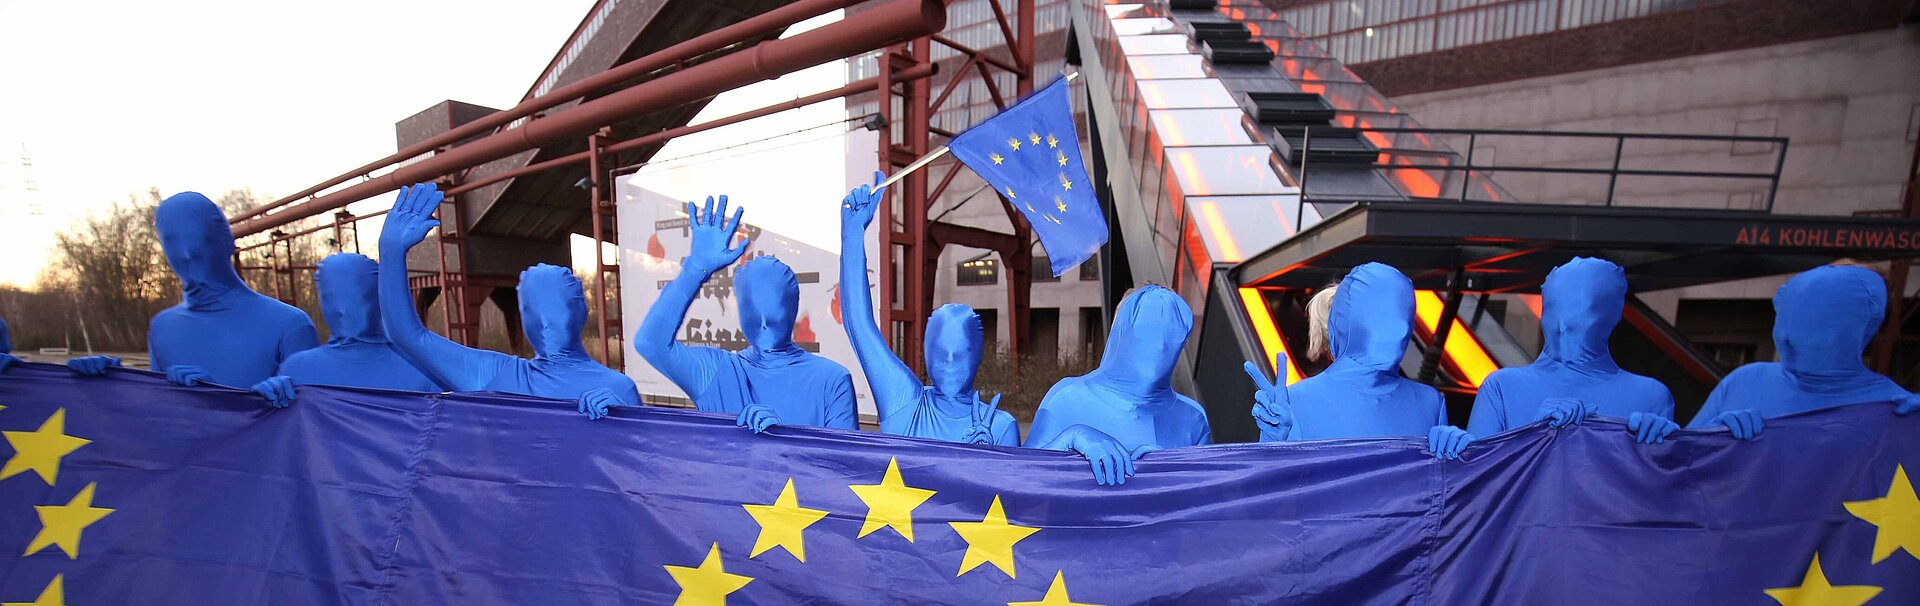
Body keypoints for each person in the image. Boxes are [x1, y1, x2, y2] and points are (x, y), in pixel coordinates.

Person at [376, 183, 640, 411]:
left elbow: (645, 460)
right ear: (523, 316)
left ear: (582, 310)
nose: (547, 322)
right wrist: (390, 254)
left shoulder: (618, 390)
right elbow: (407, 336)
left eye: (560, 306)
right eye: (533, 310)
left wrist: (624, 420)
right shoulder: (494, 374)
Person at [615, 194, 855, 432]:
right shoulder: (717, 372)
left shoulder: (832, 381)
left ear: (792, 308)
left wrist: (785, 439)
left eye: (776, 304)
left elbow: (843, 464)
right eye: (751, 306)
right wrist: (695, 269)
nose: (763, 320)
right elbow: (650, 343)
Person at [67, 192, 319, 386]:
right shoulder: (163, 327)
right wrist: (109, 385)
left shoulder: (289, 325)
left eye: (200, 238)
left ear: (225, 240)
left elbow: (309, 425)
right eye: (173, 242)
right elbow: (158, 419)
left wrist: (221, 399)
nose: (188, 253)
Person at [838, 173, 1018, 445]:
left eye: (959, 354)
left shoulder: (1000, 426)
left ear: (979, 356)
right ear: (925, 354)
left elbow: (1017, 486)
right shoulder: (905, 403)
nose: (948, 363)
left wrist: (990, 462)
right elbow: (859, 326)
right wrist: (852, 235)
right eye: (940, 353)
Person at [1246, 262, 1472, 460]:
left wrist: (1462, 456)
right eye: (1380, 314)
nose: (1400, 328)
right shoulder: (1293, 403)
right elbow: (1274, 495)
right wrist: (1274, 447)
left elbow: (1440, 495)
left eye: (1403, 313)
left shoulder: (1430, 402)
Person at [1689, 264, 1919, 438]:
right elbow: (1674, 465)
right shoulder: (1745, 381)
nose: (1790, 336)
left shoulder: (1898, 411)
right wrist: (1709, 438)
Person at [1465, 258, 1680, 444]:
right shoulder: (1502, 388)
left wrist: (1663, 454)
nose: (1565, 324)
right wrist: (1534, 436)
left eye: (1588, 309)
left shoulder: (1650, 397)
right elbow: (1479, 480)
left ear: (1613, 317)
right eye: (1554, 307)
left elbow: (1665, 485)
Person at [1026, 285, 1209, 486]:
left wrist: (1173, 475)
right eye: (1143, 331)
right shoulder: (1066, 398)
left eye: (1168, 336)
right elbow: (1019, 481)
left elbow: (1212, 502)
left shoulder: (1193, 418)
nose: (1158, 347)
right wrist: (1070, 439)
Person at [245, 254, 442, 407]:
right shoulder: (297, 371)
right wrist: (261, 405)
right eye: (332, 298)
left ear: (378, 296)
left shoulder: (423, 368)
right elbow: (280, 441)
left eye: (362, 296)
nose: (345, 309)